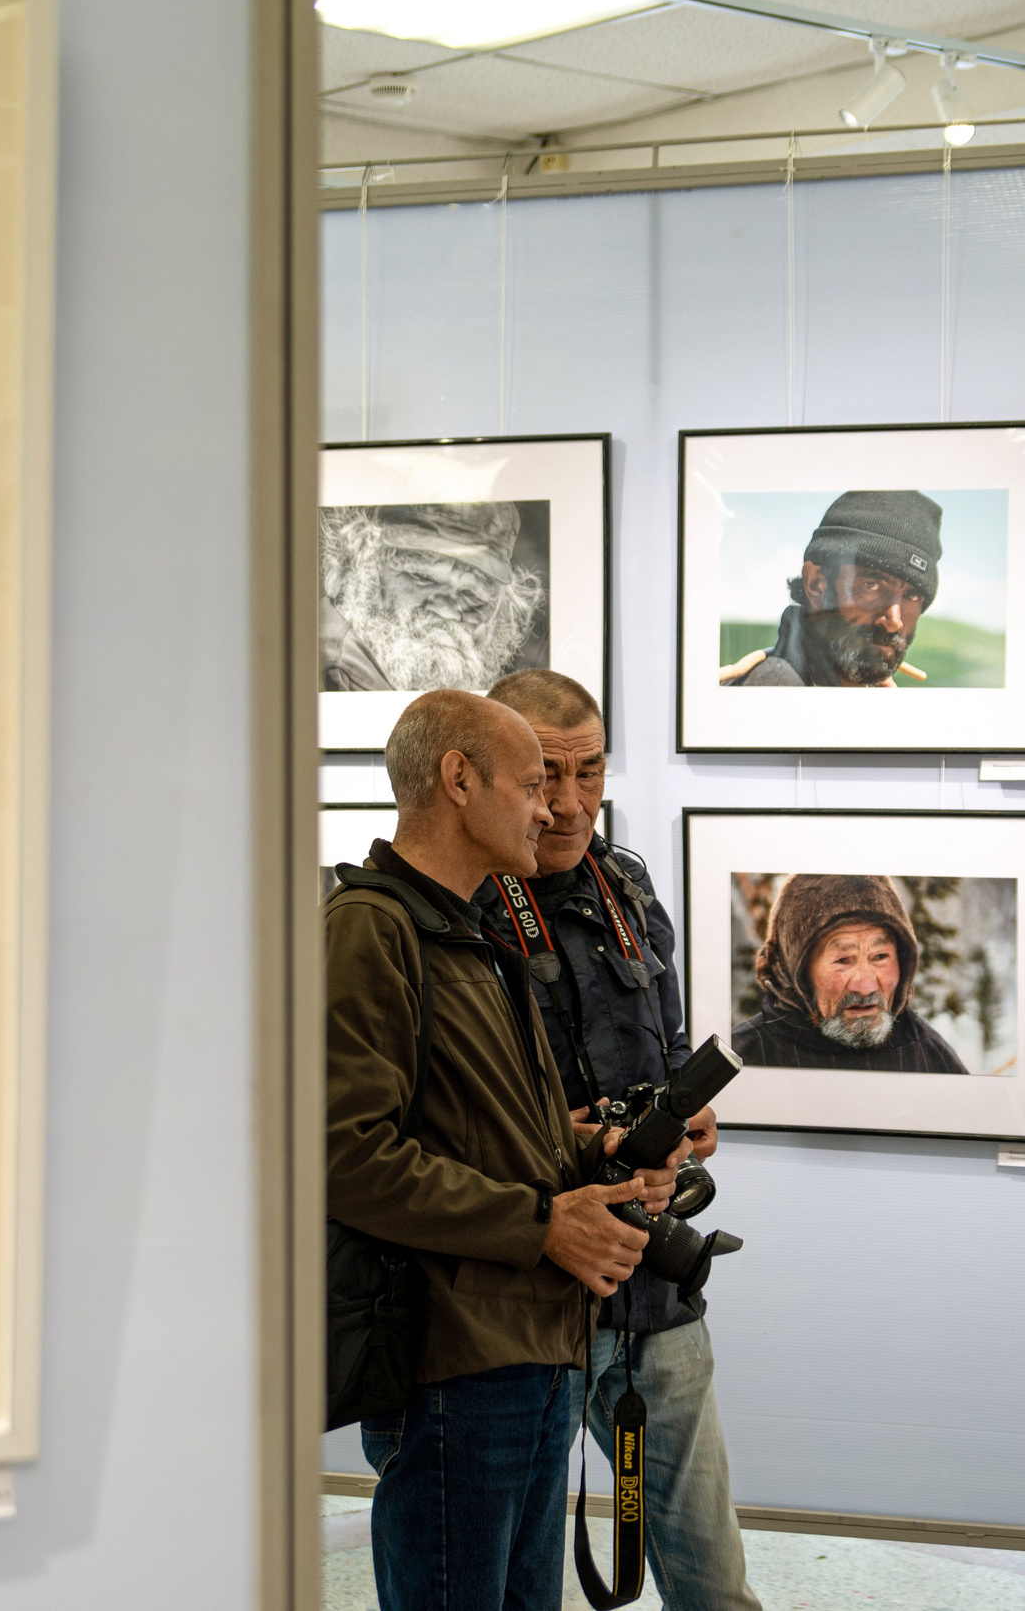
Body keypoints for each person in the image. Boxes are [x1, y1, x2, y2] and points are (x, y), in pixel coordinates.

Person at [325, 688, 687, 1611]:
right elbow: (344, 1154)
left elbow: (495, 1129)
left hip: (530, 1347)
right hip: (454, 1362)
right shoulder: (373, 930)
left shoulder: (474, 932)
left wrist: (601, 1152)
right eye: (532, 783)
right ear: (458, 779)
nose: (552, 808)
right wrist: (541, 1224)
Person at [475, 669, 765, 1611]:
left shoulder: (624, 882)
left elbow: (669, 1039)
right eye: (544, 776)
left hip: (650, 1279)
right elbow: (431, 1122)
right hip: (526, 1290)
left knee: (715, 1581)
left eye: (590, 771)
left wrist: (683, 1115)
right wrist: (576, 1137)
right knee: (513, 1581)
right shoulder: (463, 903)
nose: (567, 804)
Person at [730, 875, 967, 1073]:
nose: (865, 986)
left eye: (880, 957)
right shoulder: (744, 1055)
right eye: (843, 960)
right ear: (797, 972)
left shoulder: (927, 1053)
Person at [720, 490, 940, 688]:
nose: (894, 621)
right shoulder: (772, 692)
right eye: (871, 585)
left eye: (912, 595)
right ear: (816, 584)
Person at [321, 501, 545, 692]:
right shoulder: (339, 673)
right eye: (422, 578)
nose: (446, 610)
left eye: (470, 593)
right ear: (363, 566)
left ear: (501, 608)